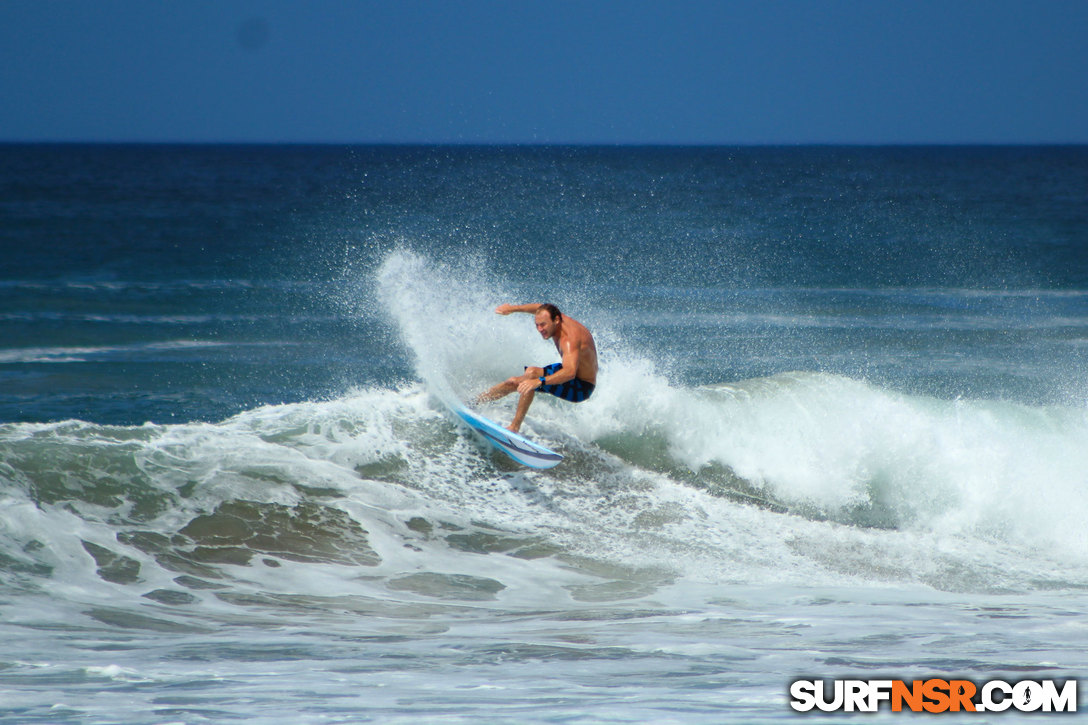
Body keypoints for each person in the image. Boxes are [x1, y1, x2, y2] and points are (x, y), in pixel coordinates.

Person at [476, 303, 598, 433]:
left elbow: (570, 372)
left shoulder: (568, 340)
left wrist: (539, 381)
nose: (540, 329)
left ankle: (514, 428)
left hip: (580, 387)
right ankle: (474, 402)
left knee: (531, 377)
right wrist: (512, 309)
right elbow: (539, 308)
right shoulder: (555, 317)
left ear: (556, 320)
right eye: (537, 325)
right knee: (516, 381)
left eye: (543, 325)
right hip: (570, 371)